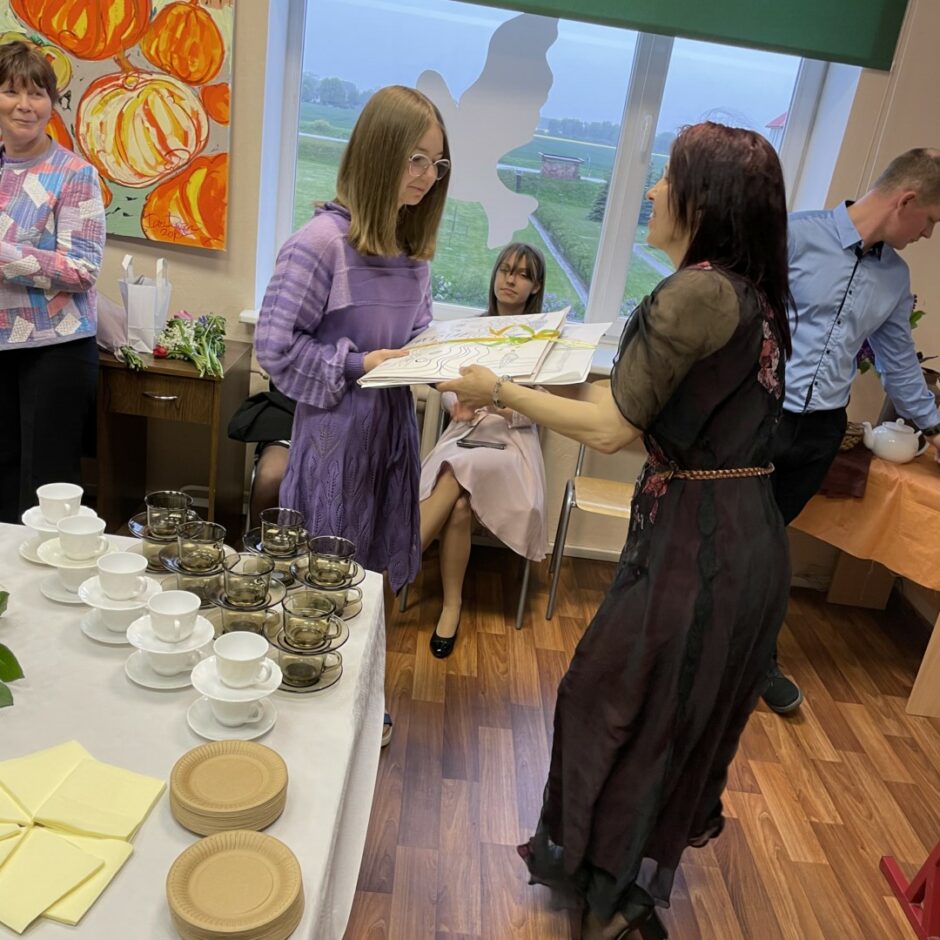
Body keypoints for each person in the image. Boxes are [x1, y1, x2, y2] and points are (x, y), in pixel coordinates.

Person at [441, 122, 792, 939]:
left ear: (704, 200)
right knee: (664, 715)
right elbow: (641, 424)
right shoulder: (748, 293)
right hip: (739, 535)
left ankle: (609, 895)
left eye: (666, 179)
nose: (651, 192)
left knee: (616, 703)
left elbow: (609, 428)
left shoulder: (698, 292)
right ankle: (615, 882)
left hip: (703, 544)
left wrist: (503, 388)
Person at [254, 85, 451, 747]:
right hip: (335, 436)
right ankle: (307, 706)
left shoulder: (410, 251)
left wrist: (446, 362)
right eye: (416, 160)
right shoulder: (319, 244)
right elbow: (274, 348)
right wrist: (358, 364)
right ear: (377, 154)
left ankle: (360, 701)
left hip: (389, 435)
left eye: (437, 165)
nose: (428, 177)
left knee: (366, 577)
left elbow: (418, 333)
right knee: (322, 572)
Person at [763, 147, 940, 715]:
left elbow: (898, 363)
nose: (930, 234)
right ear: (907, 201)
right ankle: (692, 651)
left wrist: (935, 427)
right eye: (932, 220)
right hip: (759, 419)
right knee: (732, 538)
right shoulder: (792, 236)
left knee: (769, 543)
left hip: (820, 433)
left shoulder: (895, 276)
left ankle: (752, 659)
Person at [418, 243, 548, 657]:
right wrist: (454, 403)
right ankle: (451, 606)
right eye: (505, 270)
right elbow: (445, 387)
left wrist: (498, 404)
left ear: (535, 286)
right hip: (463, 435)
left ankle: (398, 560)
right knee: (455, 502)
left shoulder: (542, 341)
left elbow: (541, 409)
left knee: (456, 470)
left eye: (522, 274)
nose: (510, 279)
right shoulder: (470, 331)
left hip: (511, 447)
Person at [0, 41, 106, 523]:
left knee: (44, 489)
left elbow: (82, 269)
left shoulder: (75, 175)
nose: (25, 105)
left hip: (55, 348)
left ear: (51, 102)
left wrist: (4, 256)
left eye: (38, 93)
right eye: (11, 92)